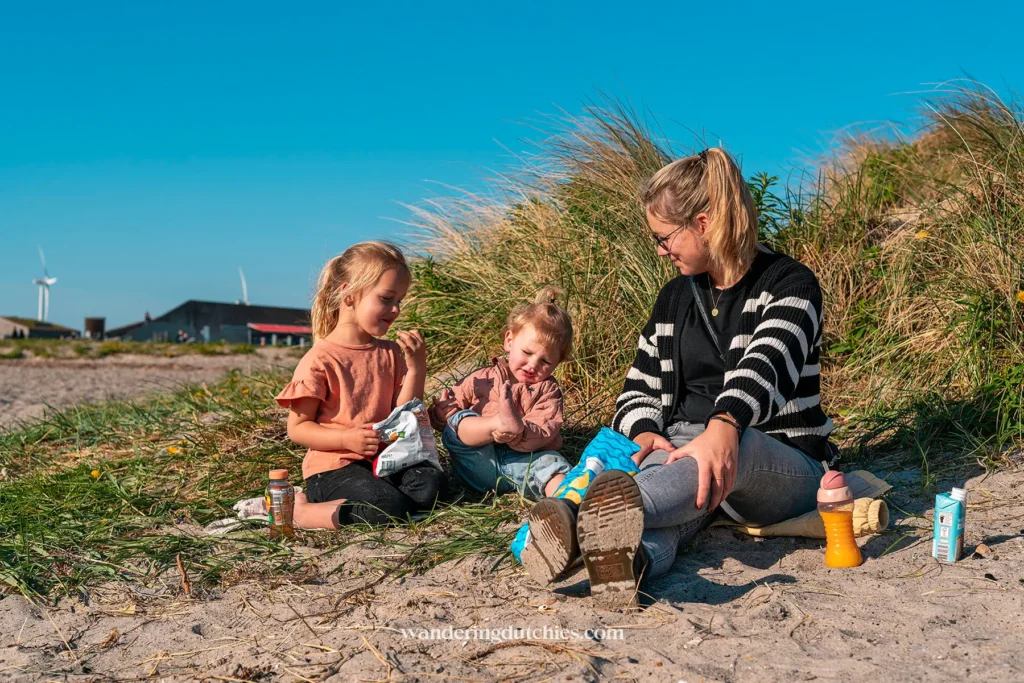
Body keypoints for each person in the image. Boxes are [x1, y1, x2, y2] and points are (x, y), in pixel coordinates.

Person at [520, 148, 835, 605]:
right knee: (659, 520)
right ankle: (626, 565)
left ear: (703, 224)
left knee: (729, 447)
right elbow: (638, 387)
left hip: (774, 458)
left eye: (664, 237)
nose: (661, 249)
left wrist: (724, 425)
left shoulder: (789, 283)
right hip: (682, 456)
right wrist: (646, 431)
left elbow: (768, 365)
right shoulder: (674, 298)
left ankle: (576, 517)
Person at [275, 241, 445, 528]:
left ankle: (382, 500)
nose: (395, 309)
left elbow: (406, 414)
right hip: (333, 467)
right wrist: (346, 439)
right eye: (387, 298)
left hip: (385, 461)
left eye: (399, 300)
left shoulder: (389, 352)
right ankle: (302, 512)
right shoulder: (321, 358)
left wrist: (416, 366)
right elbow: (298, 428)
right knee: (387, 506)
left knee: (432, 486)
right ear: (349, 293)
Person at [429, 288, 573, 501]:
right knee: (457, 421)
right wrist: (441, 414)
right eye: (527, 353)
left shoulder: (548, 391)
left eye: (545, 362)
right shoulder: (483, 378)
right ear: (509, 341)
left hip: (522, 464)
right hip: (479, 463)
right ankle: (496, 423)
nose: (533, 365)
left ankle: (568, 503)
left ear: (557, 364)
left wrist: (518, 432)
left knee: (552, 465)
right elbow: (453, 404)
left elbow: (544, 429)